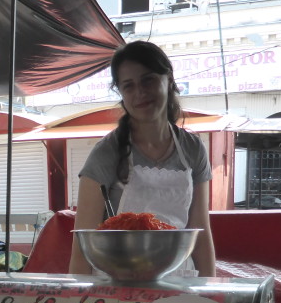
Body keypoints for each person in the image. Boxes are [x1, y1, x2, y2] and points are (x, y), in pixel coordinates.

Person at [68, 41, 216, 277]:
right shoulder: (106, 153)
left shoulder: (193, 148)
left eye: (148, 80)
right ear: (121, 94)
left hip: (177, 281)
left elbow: (201, 233)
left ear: (169, 80)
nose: (140, 93)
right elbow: (82, 247)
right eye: (129, 86)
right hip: (119, 286)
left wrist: (211, 292)